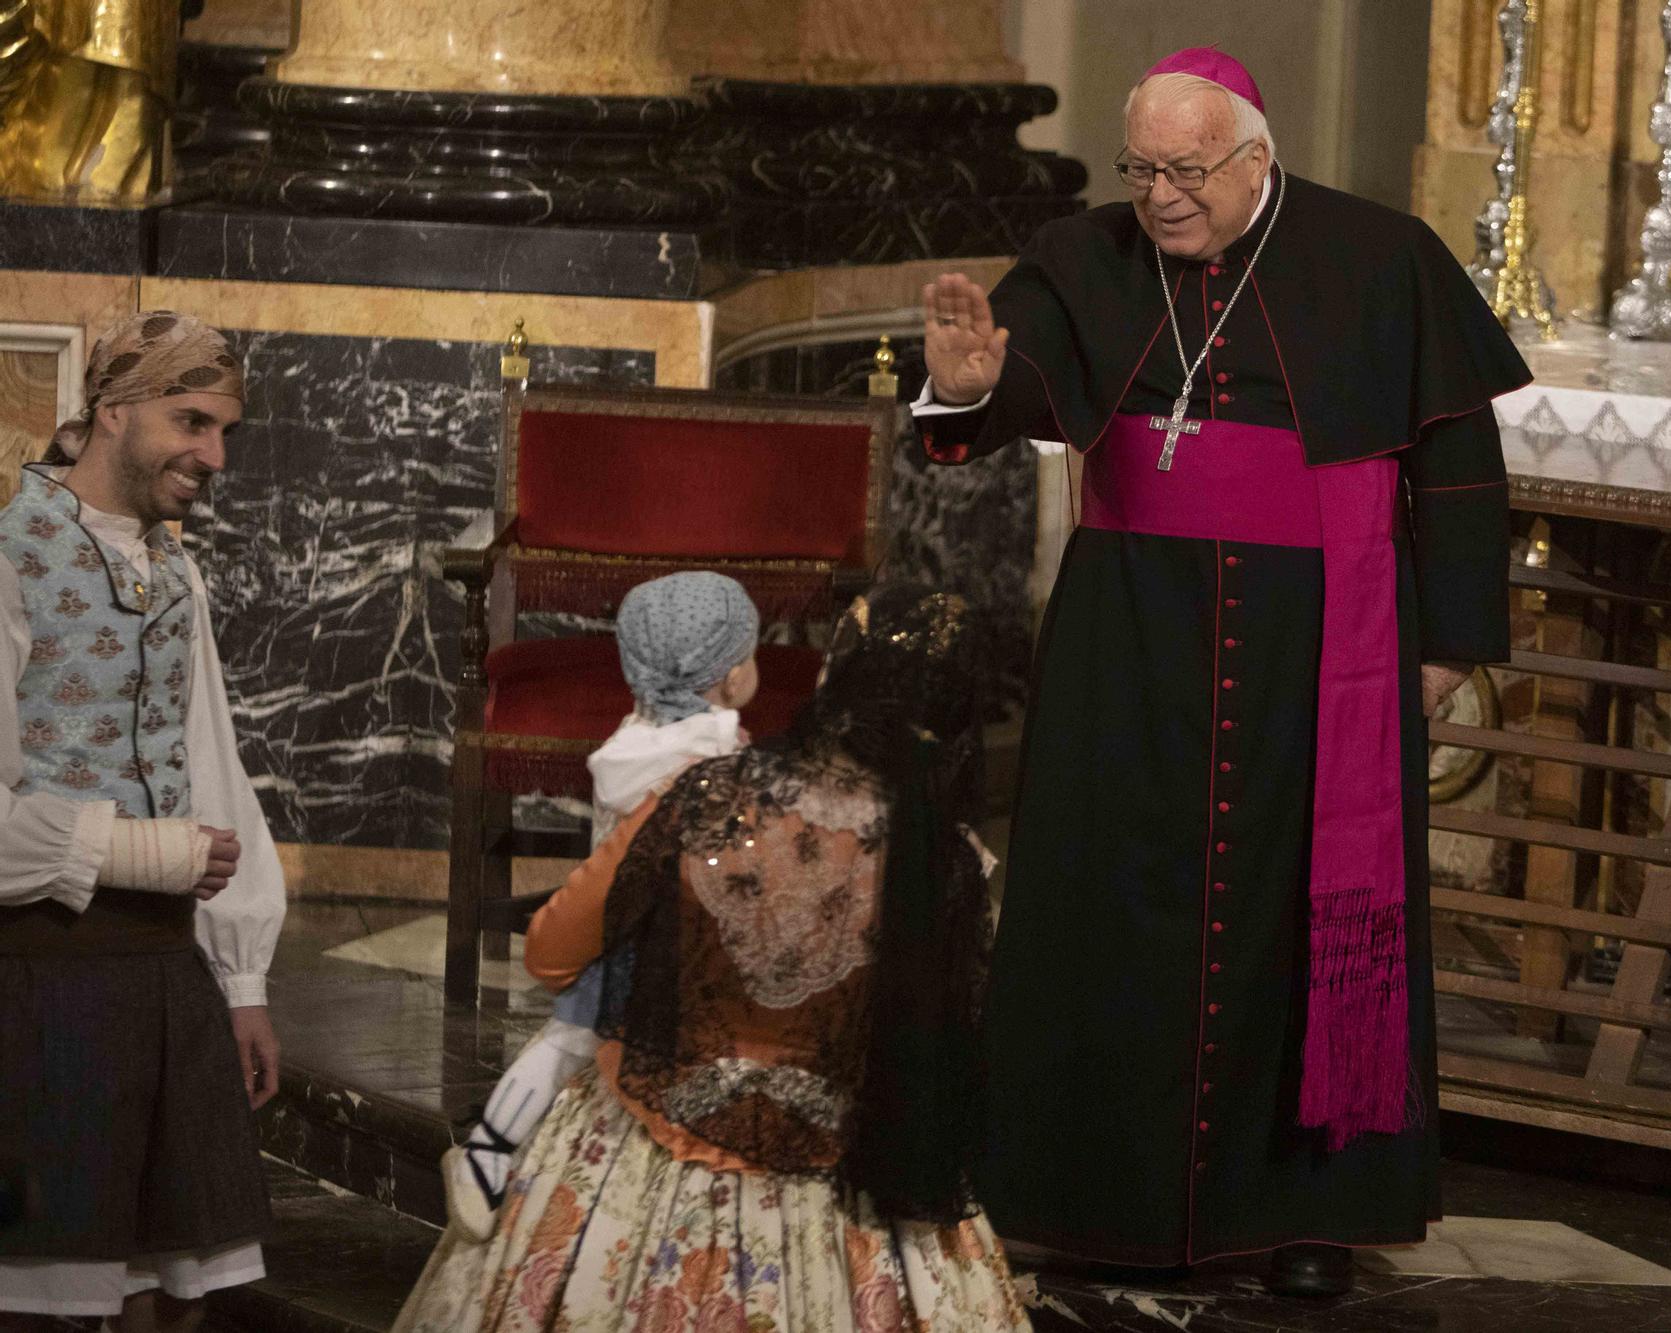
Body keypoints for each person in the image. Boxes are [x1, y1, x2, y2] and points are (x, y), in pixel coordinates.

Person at [913, 48, 1531, 1297]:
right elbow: (1009, 382)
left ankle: (1304, 1213)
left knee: (1299, 912)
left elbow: (1457, 463)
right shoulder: (1084, 253)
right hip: (1126, 629)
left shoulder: (1380, 255)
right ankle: (1089, 1198)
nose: (1160, 197)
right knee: (1106, 892)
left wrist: (1445, 646)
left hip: (1323, 634)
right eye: (1141, 169)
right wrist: (960, 386)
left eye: (1187, 170)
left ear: (1255, 156)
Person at [394, 585, 1030, 1332]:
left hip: (654, 1153)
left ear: (832, 685)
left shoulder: (702, 798)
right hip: (856, 1184)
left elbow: (551, 953)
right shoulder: (946, 867)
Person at [0, 311, 286, 1330]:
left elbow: (210, 764)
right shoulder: (11, 553)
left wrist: (241, 977)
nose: (212, 455)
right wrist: (134, 852)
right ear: (112, 411)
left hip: (166, 973)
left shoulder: (175, 569)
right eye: (191, 420)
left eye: (224, 432)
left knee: (175, 1300)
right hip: (39, 971)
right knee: (48, 1298)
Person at [443, 570, 761, 1241]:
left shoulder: (634, 738)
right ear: (729, 677)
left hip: (615, 932)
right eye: (751, 652)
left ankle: (487, 1149)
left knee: (564, 1040)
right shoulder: (715, 757)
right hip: (678, 949)